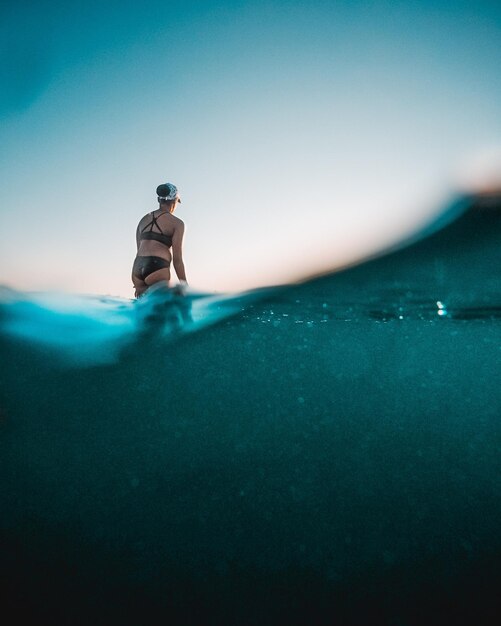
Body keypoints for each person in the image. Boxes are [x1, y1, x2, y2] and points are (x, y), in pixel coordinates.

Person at [132, 182, 187, 298]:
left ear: (159, 200)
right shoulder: (177, 223)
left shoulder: (143, 220)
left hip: (137, 268)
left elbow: (139, 250)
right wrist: (185, 286)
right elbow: (178, 260)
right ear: (174, 201)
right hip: (157, 266)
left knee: (145, 312)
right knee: (163, 311)